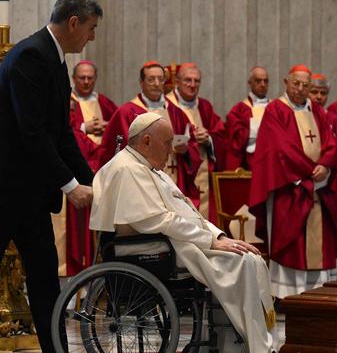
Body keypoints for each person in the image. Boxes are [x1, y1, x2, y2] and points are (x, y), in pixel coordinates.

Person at [90, 113, 275, 352]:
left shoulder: (149, 168)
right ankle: (241, 344)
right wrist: (209, 241)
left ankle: (236, 342)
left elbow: (187, 210)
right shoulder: (128, 170)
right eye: (167, 143)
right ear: (146, 141)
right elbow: (159, 220)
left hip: (173, 240)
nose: (171, 150)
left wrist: (219, 237)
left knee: (248, 257)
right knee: (240, 262)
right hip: (154, 246)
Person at [0, 0, 101, 350]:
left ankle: (55, 348)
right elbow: (32, 133)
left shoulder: (54, 60)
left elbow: (61, 134)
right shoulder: (31, 55)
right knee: (43, 277)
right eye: (90, 28)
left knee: (44, 279)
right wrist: (70, 185)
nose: (91, 37)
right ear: (73, 22)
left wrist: (93, 181)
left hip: (28, 195)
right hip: (6, 189)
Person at [249, 64, 337, 298]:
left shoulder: (318, 112)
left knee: (321, 244)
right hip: (289, 189)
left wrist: (325, 165)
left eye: (305, 85)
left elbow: (332, 142)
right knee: (291, 243)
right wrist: (309, 173)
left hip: (317, 188)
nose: (301, 89)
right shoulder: (275, 110)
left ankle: (317, 293)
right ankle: (288, 296)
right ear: (286, 82)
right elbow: (280, 150)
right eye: (296, 84)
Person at [100, 60, 201, 200]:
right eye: (151, 79)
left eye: (160, 79)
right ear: (141, 82)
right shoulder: (127, 112)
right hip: (140, 183)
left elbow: (193, 147)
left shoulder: (176, 112)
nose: (157, 83)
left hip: (173, 179)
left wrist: (185, 151)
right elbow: (117, 151)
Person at [65, 59, 118, 275]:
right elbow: (62, 131)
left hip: (101, 170)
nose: (86, 82)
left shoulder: (105, 103)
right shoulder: (67, 101)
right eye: (81, 78)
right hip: (75, 173)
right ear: (73, 79)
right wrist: (84, 127)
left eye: (90, 78)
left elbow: (118, 131)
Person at [166, 62, 227, 222]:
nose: (192, 85)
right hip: (176, 170)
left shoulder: (205, 106)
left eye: (196, 81)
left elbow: (221, 136)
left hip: (203, 175)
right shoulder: (166, 105)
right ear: (177, 82)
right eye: (188, 80)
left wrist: (209, 140)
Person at [225, 66, 270, 170]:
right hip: (249, 163)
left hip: (272, 162)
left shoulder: (276, 107)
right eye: (258, 81)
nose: (263, 84)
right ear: (250, 83)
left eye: (266, 81)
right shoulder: (239, 110)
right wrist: (257, 128)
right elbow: (235, 141)